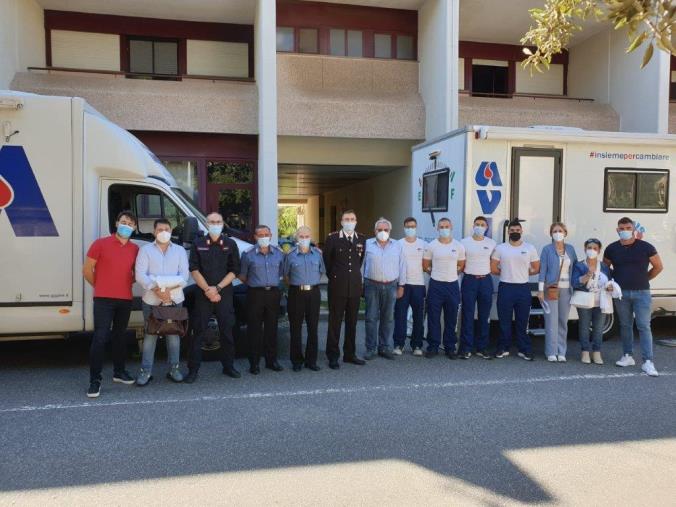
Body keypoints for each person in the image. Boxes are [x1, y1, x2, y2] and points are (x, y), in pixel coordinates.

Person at [82, 210, 139, 398]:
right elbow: (87, 269)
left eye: (130, 224)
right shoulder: (100, 244)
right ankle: (95, 380)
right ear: (116, 223)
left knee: (120, 337)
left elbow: (135, 275)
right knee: (100, 338)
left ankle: (119, 372)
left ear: (135, 228)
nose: (126, 226)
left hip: (125, 299)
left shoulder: (135, 249)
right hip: (103, 299)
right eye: (123, 222)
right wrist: (100, 285)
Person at [604, 217, 663, 377]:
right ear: (617, 230)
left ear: (633, 229)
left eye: (628, 227)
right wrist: (610, 283)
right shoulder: (611, 248)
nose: (625, 230)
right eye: (622, 228)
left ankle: (648, 362)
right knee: (625, 325)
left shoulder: (646, 247)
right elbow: (605, 268)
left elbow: (658, 267)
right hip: (621, 294)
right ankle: (627, 356)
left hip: (642, 292)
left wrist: (644, 279)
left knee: (644, 326)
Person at [187, 212, 241, 383]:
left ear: (223, 223)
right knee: (198, 331)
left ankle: (228, 366)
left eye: (218, 221)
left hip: (224, 293)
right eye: (212, 222)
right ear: (206, 223)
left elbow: (235, 270)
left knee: (227, 331)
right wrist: (208, 290)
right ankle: (193, 370)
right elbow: (194, 269)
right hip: (203, 293)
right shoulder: (198, 243)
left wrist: (217, 288)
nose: (215, 224)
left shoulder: (231, 244)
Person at [135, 218, 189, 385]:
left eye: (166, 228)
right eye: (160, 229)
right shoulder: (145, 250)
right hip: (151, 300)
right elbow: (140, 275)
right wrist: (157, 289)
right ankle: (145, 371)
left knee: (173, 334)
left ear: (171, 231)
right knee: (150, 334)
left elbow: (184, 276)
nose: (163, 232)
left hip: (174, 300)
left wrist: (165, 290)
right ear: (154, 232)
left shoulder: (180, 251)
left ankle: (174, 369)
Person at [490, 219, 540, 361]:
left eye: (517, 230)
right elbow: (493, 268)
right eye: (512, 230)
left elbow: (536, 267)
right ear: (508, 232)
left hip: (523, 288)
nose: (515, 232)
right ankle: (503, 348)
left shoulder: (530, 248)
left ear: (521, 231)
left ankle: (524, 349)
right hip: (506, 287)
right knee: (504, 321)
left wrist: (524, 273)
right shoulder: (501, 248)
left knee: (522, 321)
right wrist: (506, 273)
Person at [323, 210, 367, 369]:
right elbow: (327, 262)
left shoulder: (361, 238)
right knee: (335, 323)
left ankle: (349, 354)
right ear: (341, 222)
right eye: (346, 219)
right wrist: (337, 277)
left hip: (354, 287)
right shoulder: (333, 238)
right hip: (337, 287)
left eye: (352, 219)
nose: (350, 221)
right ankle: (333, 356)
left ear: (356, 221)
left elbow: (359, 261)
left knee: (352, 323)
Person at [239, 224, 285, 374]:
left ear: (271, 236)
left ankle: (272, 361)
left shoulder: (279, 253)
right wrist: (256, 284)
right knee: (254, 330)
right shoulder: (248, 254)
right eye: (260, 235)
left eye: (266, 234)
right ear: (255, 237)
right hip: (255, 294)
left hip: (273, 293)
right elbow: (242, 276)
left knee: (272, 328)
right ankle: (254, 363)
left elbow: (282, 273)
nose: (264, 237)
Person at [362, 218, 406, 360]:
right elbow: (360, 266)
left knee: (388, 318)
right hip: (371, 285)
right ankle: (370, 348)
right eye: (379, 230)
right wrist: (361, 284)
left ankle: (385, 347)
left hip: (391, 285)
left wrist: (401, 286)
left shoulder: (397, 245)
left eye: (385, 230)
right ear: (374, 231)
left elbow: (402, 266)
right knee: (371, 318)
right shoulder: (366, 244)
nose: (382, 232)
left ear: (390, 231)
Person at [283, 226, 325, 372]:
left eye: (307, 236)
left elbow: (320, 272)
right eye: (301, 236)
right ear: (297, 238)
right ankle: (296, 361)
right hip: (296, 293)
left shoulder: (318, 254)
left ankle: (311, 361)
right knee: (296, 328)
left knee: (313, 328)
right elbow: (286, 276)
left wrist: (310, 283)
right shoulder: (290, 255)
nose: (304, 239)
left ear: (311, 237)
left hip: (313, 293)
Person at [423, 218, 466, 359]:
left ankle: (450, 347)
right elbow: (426, 265)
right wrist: (436, 273)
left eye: (446, 226)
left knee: (451, 318)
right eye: (441, 226)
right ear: (437, 229)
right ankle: (433, 346)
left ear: (451, 227)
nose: (444, 229)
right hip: (436, 285)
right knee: (433, 318)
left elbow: (461, 265)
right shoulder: (432, 246)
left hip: (452, 285)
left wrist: (451, 274)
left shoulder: (458, 246)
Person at [538, 222, 578, 362]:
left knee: (562, 321)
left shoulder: (571, 250)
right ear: (551, 234)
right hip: (551, 290)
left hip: (567, 290)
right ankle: (551, 351)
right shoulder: (546, 249)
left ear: (565, 233)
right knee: (551, 321)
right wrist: (540, 290)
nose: (557, 233)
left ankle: (561, 351)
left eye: (560, 230)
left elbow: (575, 269)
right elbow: (542, 270)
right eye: (554, 231)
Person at [459, 216, 496, 360]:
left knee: (484, 316)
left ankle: (482, 347)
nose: (479, 227)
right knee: (468, 315)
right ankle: (466, 348)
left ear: (486, 228)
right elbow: (461, 263)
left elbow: (495, 262)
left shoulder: (492, 243)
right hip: (469, 280)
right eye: (477, 224)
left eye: (482, 225)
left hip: (485, 281)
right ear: (473, 226)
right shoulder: (464, 242)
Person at [571, 239, 612, 365]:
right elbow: (574, 283)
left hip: (601, 300)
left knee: (598, 327)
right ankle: (585, 351)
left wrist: (610, 287)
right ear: (585, 249)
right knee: (584, 326)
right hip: (585, 298)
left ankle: (597, 351)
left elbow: (609, 281)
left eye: (595, 248)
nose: (592, 250)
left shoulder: (604, 266)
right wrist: (587, 276)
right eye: (589, 247)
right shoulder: (579, 265)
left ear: (599, 251)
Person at [394, 217, 427, 357]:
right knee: (400, 316)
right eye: (408, 226)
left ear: (416, 227)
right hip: (403, 285)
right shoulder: (398, 244)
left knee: (418, 317)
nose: (410, 229)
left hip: (419, 285)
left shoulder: (424, 244)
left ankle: (417, 345)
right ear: (404, 227)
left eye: (412, 226)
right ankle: (398, 344)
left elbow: (427, 264)